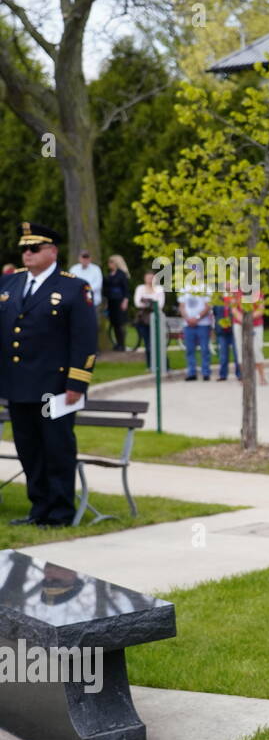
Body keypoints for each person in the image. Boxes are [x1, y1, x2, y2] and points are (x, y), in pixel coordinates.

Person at [0, 222, 98, 527]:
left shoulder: (72, 287)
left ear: (52, 251)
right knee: (28, 449)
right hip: (18, 385)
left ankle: (60, 512)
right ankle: (38, 508)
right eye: (23, 249)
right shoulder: (10, 284)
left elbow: (84, 339)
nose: (27, 254)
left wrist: (76, 383)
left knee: (56, 448)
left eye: (34, 248)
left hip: (53, 387)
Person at [232, 285, 268, 386]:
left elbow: (261, 309)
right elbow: (234, 309)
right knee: (241, 350)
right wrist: (242, 320)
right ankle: (245, 378)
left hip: (255, 325)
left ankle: (262, 377)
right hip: (239, 325)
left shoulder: (258, 292)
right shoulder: (236, 292)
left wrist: (248, 318)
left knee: (257, 350)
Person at [178, 282, 212, 381]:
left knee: (204, 349)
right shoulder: (184, 287)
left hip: (203, 324)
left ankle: (206, 372)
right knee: (189, 350)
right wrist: (187, 318)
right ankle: (191, 372)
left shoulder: (205, 287)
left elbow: (208, 306)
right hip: (188, 324)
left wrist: (197, 318)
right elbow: (182, 306)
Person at [133, 269, 164, 369]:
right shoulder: (140, 288)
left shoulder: (159, 289)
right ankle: (150, 365)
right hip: (143, 320)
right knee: (147, 343)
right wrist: (151, 303)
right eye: (148, 277)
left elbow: (160, 304)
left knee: (157, 343)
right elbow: (138, 303)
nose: (150, 279)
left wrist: (146, 302)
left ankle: (163, 364)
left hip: (155, 318)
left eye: (152, 277)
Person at [212, 283, 242, 382]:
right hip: (222, 331)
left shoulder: (236, 297)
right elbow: (214, 314)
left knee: (237, 353)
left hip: (234, 329)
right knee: (223, 354)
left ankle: (240, 374)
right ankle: (223, 374)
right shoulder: (218, 298)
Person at [103, 254, 131, 351]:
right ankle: (118, 343)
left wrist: (125, 301)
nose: (109, 264)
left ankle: (122, 344)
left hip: (119, 300)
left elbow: (126, 290)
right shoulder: (110, 274)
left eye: (111, 262)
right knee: (114, 323)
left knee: (119, 323)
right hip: (111, 301)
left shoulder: (121, 274)